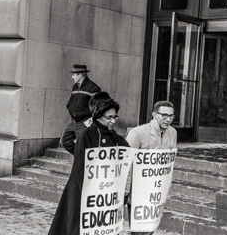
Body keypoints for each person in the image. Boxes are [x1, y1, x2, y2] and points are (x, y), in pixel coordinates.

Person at [49, 92, 129, 235]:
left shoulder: (115, 137)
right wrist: (90, 194)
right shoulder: (87, 134)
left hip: (105, 194)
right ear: (98, 116)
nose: (113, 121)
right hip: (84, 192)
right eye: (109, 117)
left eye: (115, 117)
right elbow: (81, 168)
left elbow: (128, 153)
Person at [125, 100, 177, 235]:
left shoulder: (172, 133)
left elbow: (169, 162)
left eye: (171, 116)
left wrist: (166, 185)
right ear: (154, 114)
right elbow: (127, 163)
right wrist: (126, 190)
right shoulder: (137, 133)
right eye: (164, 115)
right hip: (138, 190)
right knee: (139, 229)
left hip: (156, 190)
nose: (168, 119)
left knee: (151, 227)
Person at [60, 64, 101, 155]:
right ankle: (80, 157)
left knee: (84, 146)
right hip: (73, 121)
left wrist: (89, 121)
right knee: (65, 141)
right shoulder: (75, 87)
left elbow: (97, 108)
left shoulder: (93, 88)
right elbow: (70, 102)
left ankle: (84, 161)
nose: (72, 77)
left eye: (74, 74)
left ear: (81, 74)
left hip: (84, 122)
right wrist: (71, 109)